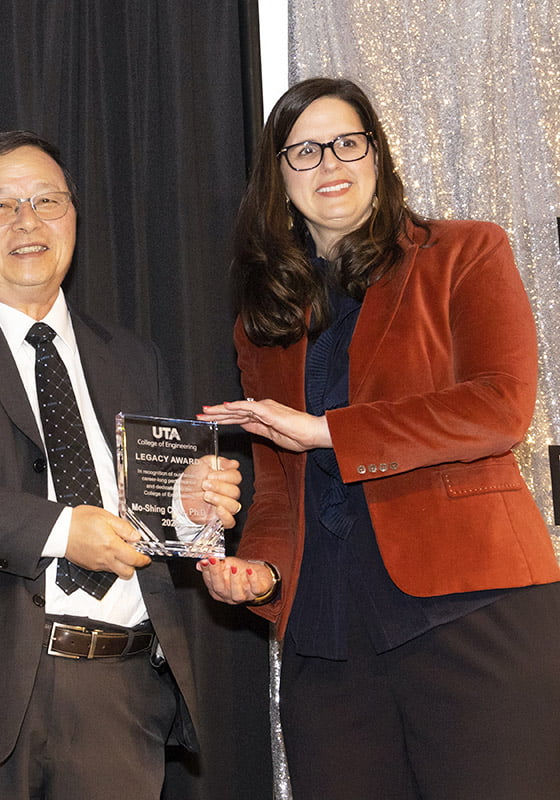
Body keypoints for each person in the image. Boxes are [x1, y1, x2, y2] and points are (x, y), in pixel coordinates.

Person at [194, 77, 560, 799]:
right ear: (277, 179)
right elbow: (279, 489)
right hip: (327, 633)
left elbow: (499, 407)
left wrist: (327, 431)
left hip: (470, 606)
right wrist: (263, 572)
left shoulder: (464, 252)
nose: (329, 163)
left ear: (377, 154)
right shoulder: (264, 319)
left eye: (346, 143)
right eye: (304, 151)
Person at [0, 130, 242, 800]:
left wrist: (186, 510)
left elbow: (145, 514)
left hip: (120, 697)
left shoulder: (132, 356)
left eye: (47, 200)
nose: (28, 221)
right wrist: (62, 531)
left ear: (74, 218)